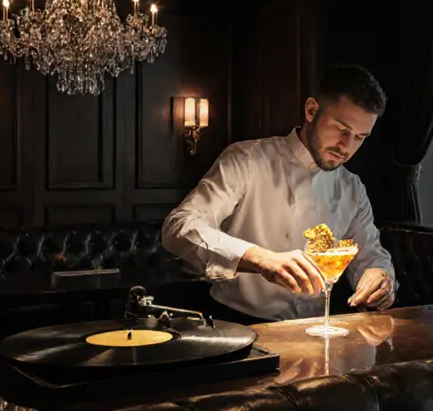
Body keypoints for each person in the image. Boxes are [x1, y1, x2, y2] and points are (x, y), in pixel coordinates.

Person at [162, 64, 396, 323]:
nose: (346, 146)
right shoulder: (246, 160)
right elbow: (178, 228)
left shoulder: (352, 188)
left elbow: (370, 256)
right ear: (311, 110)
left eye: (359, 137)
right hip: (238, 325)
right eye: (341, 129)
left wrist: (380, 278)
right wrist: (261, 259)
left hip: (316, 330)